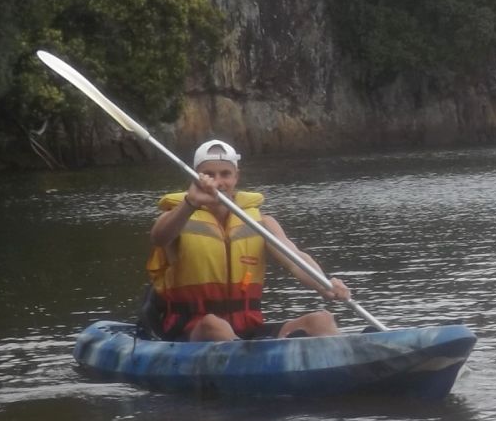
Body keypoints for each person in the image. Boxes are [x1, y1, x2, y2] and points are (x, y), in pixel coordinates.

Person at [142, 139, 351, 341]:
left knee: (321, 320)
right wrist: (190, 202)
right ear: (197, 177)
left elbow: (295, 259)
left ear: (236, 177)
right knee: (214, 325)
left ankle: (346, 364)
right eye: (209, 174)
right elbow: (159, 238)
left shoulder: (262, 223)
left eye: (225, 174)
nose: (218, 182)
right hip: (192, 329)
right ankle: (252, 363)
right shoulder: (178, 216)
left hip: (248, 328)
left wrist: (325, 285)